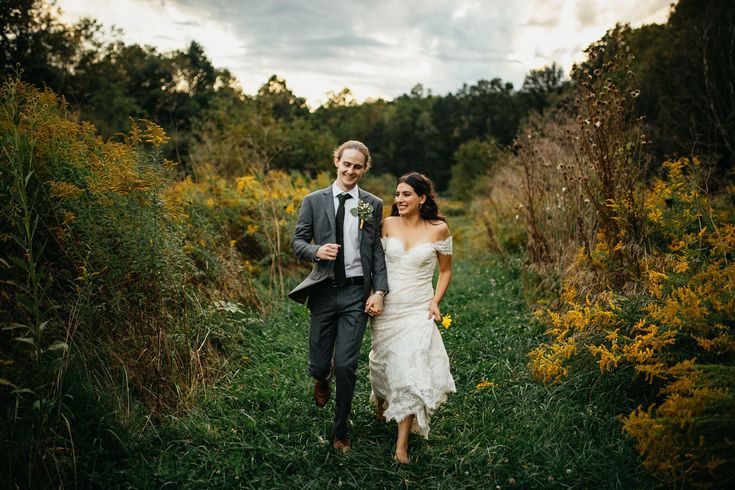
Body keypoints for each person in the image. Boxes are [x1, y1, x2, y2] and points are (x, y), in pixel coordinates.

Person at [289, 140, 389, 453]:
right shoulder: (313, 200)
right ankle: (322, 376)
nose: (351, 171)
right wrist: (316, 250)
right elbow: (297, 241)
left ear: (364, 169)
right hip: (324, 291)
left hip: (356, 294)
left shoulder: (371, 204)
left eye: (357, 166)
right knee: (320, 364)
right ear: (337, 162)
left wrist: (380, 290)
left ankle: (341, 428)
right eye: (346, 164)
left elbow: (375, 249)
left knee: (347, 364)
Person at [367, 171, 456, 464]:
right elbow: (374, 264)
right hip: (387, 307)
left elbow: (445, 270)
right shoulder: (387, 225)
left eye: (406, 194)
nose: (399, 199)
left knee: (409, 370)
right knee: (383, 362)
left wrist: (435, 301)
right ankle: (381, 399)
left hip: (418, 308)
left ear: (422, 197)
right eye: (397, 194)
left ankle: (401, 446)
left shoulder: (439, 229)